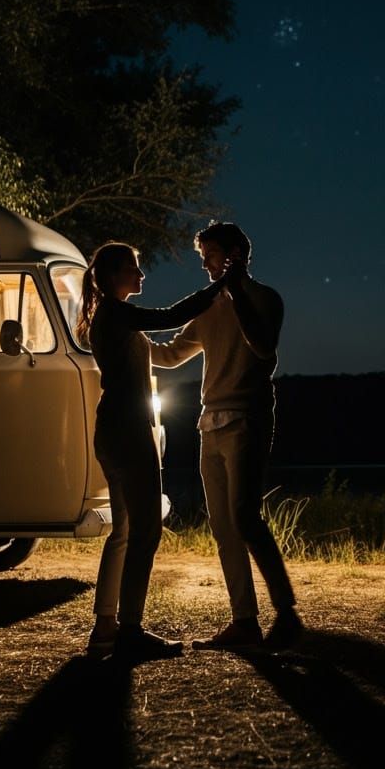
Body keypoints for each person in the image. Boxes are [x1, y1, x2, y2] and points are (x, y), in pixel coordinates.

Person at [152, 222, 303, 650]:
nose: (205, 264)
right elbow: (169, 354)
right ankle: (245, 622)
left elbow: (262, 347)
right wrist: (124, 339)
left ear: (236, 253)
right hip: (209, 424)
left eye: (212, 254)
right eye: (204, 256)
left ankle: (287, 614)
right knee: (223, 526)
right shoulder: (206, 308)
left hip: (247, 420)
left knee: (245, 517)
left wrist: (235, 291)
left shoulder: (264, 299)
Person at [77, 241, 224, 661]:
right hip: (128, 432)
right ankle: (130, 631)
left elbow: (161, 343)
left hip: (112, 429)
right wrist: (218, 288)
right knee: (146, 532)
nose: (142, 276)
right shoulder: (117, 311)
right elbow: (172, 317)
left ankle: (105, 626)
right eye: (135, 269)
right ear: (113, 274)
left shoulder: (110, 314)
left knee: (123, 532)